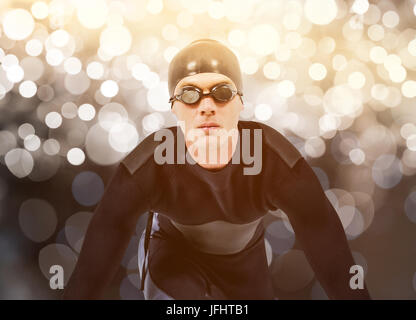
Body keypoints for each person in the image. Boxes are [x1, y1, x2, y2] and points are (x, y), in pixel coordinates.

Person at [62, 39, 371, 300]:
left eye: (221, 93)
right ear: (174, 107)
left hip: (247, 266)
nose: (206, 106)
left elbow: (332, 255)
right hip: (172, 259)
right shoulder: (148, 166)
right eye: (190, 94)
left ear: (240, 103)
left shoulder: (274, 161)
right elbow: (90, 272)